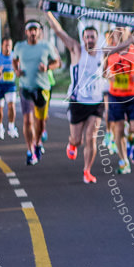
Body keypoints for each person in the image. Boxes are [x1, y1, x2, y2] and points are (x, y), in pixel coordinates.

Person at [47, 12, 105, 184]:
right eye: (87, 37)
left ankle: (87, 171)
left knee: (91, 137)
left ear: (97, 38)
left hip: (96, 102)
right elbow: (59, 32)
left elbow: (122, 45)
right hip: (77, 101)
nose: (90, 40)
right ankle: (72, 144)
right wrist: (48, 13)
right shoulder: (76, 50)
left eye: (92, 37)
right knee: (77, 139)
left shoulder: (103, 53)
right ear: (83, 38)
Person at [13, 21, 61, 165]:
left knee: (40, 122)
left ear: (39, 31)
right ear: (26, 32)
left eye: (35, 30)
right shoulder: (19, 46)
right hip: (25, 87)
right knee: (27, 120)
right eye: (30, 30)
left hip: (42, 88)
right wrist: (16, 70)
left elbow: (57, 62)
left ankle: (38, 142)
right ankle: (30, 150)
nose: (33, 32)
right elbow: (14, 60)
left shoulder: (46, 46)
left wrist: (47, 67)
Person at [104, 26, 134, 174]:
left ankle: (131, 136)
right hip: (116, 95)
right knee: (118, 130)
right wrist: (108, 75)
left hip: (133, 94)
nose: (120, 32)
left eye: (122, 28)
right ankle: (124, 162)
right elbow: (103, 71)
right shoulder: (109, 51)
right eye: (117, 29)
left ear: (128, 32)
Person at [0, 38, 19, 139]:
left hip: (10, 85)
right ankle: (0, 128)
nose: (7, 48)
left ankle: (11, 127)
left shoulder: (15, 57)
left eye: (9, 45)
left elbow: (19, 69)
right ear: (2, 46)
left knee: (11, 105)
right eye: (5, 45)